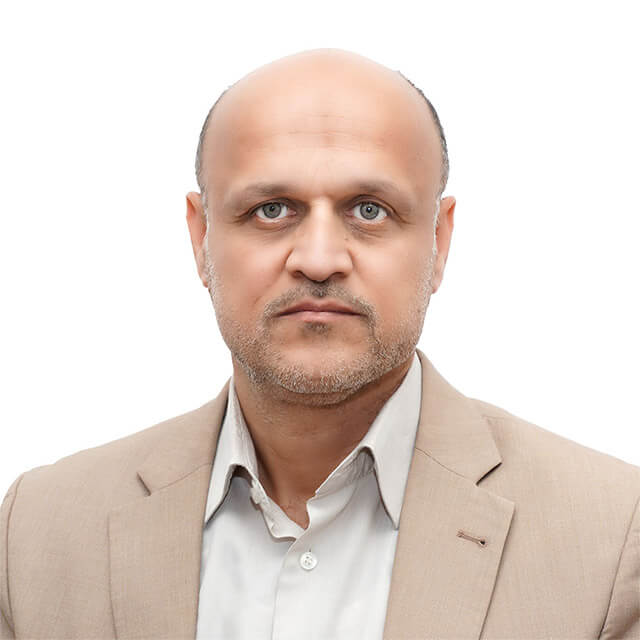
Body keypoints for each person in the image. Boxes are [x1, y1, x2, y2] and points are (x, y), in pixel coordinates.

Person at [1, 48, 638, 640]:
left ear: (439, 241)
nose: (319, 258)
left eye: (369, 209)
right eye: (272, 209)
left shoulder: (611, 537)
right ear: (200, 237)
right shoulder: (35, 535)